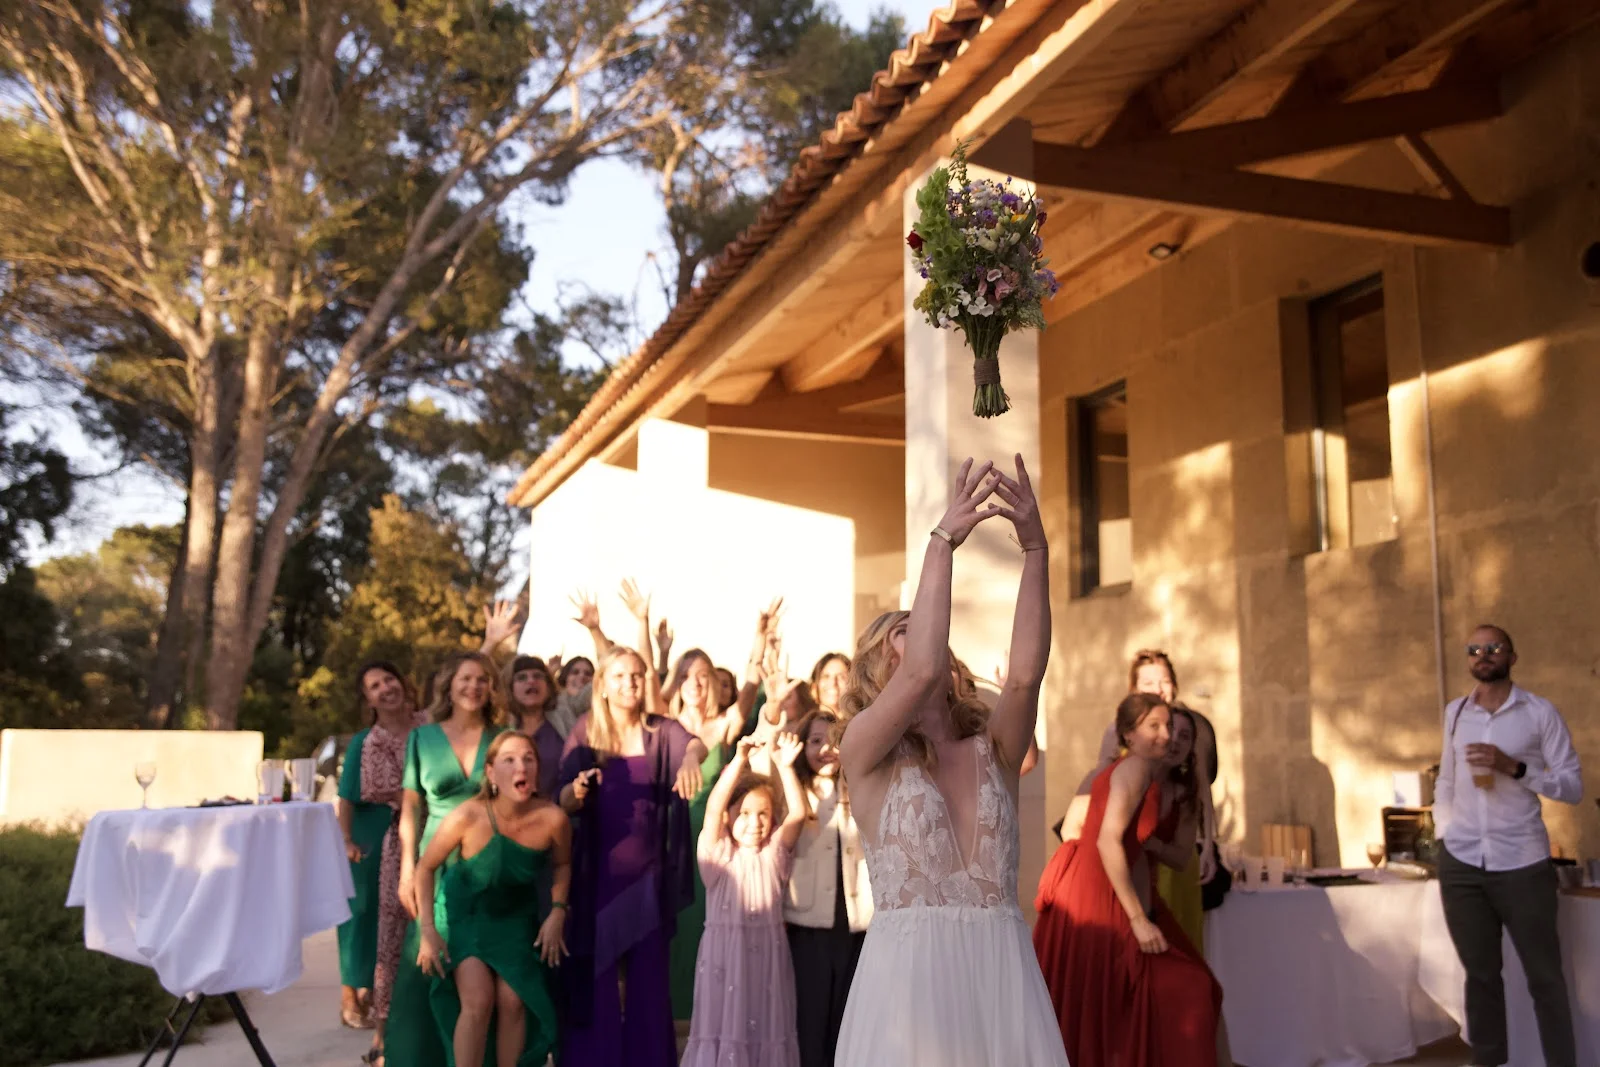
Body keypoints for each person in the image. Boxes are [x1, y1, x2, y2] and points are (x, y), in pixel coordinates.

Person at [835, 455, 1067, 1066]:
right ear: (878, 667)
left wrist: (1036, 550)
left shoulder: (993, 749)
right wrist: (943, 541)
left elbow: (1023, 677)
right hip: (909, 997)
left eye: (925, 623)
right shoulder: (864, 750)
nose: (924, 635)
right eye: (903, 630)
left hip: (1002, 985)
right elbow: (922, 672)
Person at [1032, 692, 1221, 1067]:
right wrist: (1137, 919)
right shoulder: (1134, 769)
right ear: (1128, 735)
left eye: (1170, 727)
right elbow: (1103, 839)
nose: (1166, 735)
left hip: (1123, 891)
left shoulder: (1164, 782)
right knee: (1128, 996)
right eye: (1155, 726)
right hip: (1097, 892)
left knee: (1185, 988)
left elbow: (1174, 853)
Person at [557, 610, 708, 1067]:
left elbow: (695, 742)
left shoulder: (661, 732)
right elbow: (560, 800)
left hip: (647, 878)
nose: (631, 683)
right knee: (598, 979)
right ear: (602, 683)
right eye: (621, 675)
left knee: (647, 982)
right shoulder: (585, 732)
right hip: (596, 876)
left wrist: (689, 761)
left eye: (638, 675)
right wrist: (577, 792)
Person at [1434, 624, 1582, 1067]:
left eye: (1493, 648)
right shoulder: (1455, 712)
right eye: (1474, 649)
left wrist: (1515, 768)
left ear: (1512, 657)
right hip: (1461, 860)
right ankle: (1489, 1061)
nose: (1483, 655)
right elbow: (1446, 778)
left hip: (1521, 861)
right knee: (1480, 977)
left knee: (1545, 978)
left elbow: (1571, 786)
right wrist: (1445, 831)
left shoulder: (1539, 713)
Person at [415, 731, 569, 1067]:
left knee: (514, 1000)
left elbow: (562, 864)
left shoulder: (553, 819)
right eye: (510, 760)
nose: (521, 767)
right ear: (490, 772)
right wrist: (428, 929)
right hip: (465, 915)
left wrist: (558, 911)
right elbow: (425, 868)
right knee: (479, 1000)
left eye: (529, 758)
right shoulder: (468, 815)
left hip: (515, 918)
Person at [385, 652, 505, 1067]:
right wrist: (406, 870)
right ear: (449, 686)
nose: (473, 687)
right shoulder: (423, 737)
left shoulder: (502, 738)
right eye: (466, 679)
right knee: (427, 959)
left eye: (482, 680)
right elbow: (410, 810)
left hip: (485, 862)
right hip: (433, 862)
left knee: (479, 969)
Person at [681, 733, 807, 1067]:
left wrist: (784, 767)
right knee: (723, 1024)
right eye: (744, 812)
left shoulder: (775, 854)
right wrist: (739, 760)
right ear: (728, 816)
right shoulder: (717, 857)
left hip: (767, 959)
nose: (754, 822)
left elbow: (797, 813)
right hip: (723, 960)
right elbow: (712, 809)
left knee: (766, 1023)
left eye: (763, 813)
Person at [337, 663, 428, 1058]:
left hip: (444, 834)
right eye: (374, 685)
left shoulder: (430, 722)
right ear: (368, 699)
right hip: (392, 840)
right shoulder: (369, 742)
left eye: (389, 678)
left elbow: (462, 687)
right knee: (381, 932)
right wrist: (344, 839)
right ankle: (377, 1029)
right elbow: (354, 796)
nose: (385, 688)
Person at [664, 647, 748, 1021]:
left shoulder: (726, 724)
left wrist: (761, 640)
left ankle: (711, 1016)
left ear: (713, 681)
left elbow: (754, 692)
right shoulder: (664, 722)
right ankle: (674, 1015)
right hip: (669, 836)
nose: (694, 682)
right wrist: (644, 623)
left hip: (714, 841)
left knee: (707, 923)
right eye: (685, 675)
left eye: (701, 674)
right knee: (675, 927)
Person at [784, 709, 872, 1067]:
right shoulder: (793, 789)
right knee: (810, 1018)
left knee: (846, 1017)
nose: (826, 749)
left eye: (835, 740)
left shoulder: (860, 785)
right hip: (808, 923)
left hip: (854, 921)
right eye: (816, 741)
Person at [503, 654, 570, 799]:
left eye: (538, 676)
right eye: (522, 678)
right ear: (510, 688)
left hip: (560, 816)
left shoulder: (565, 716)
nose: (531, 681)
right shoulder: (501, 726)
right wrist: (490, 644)